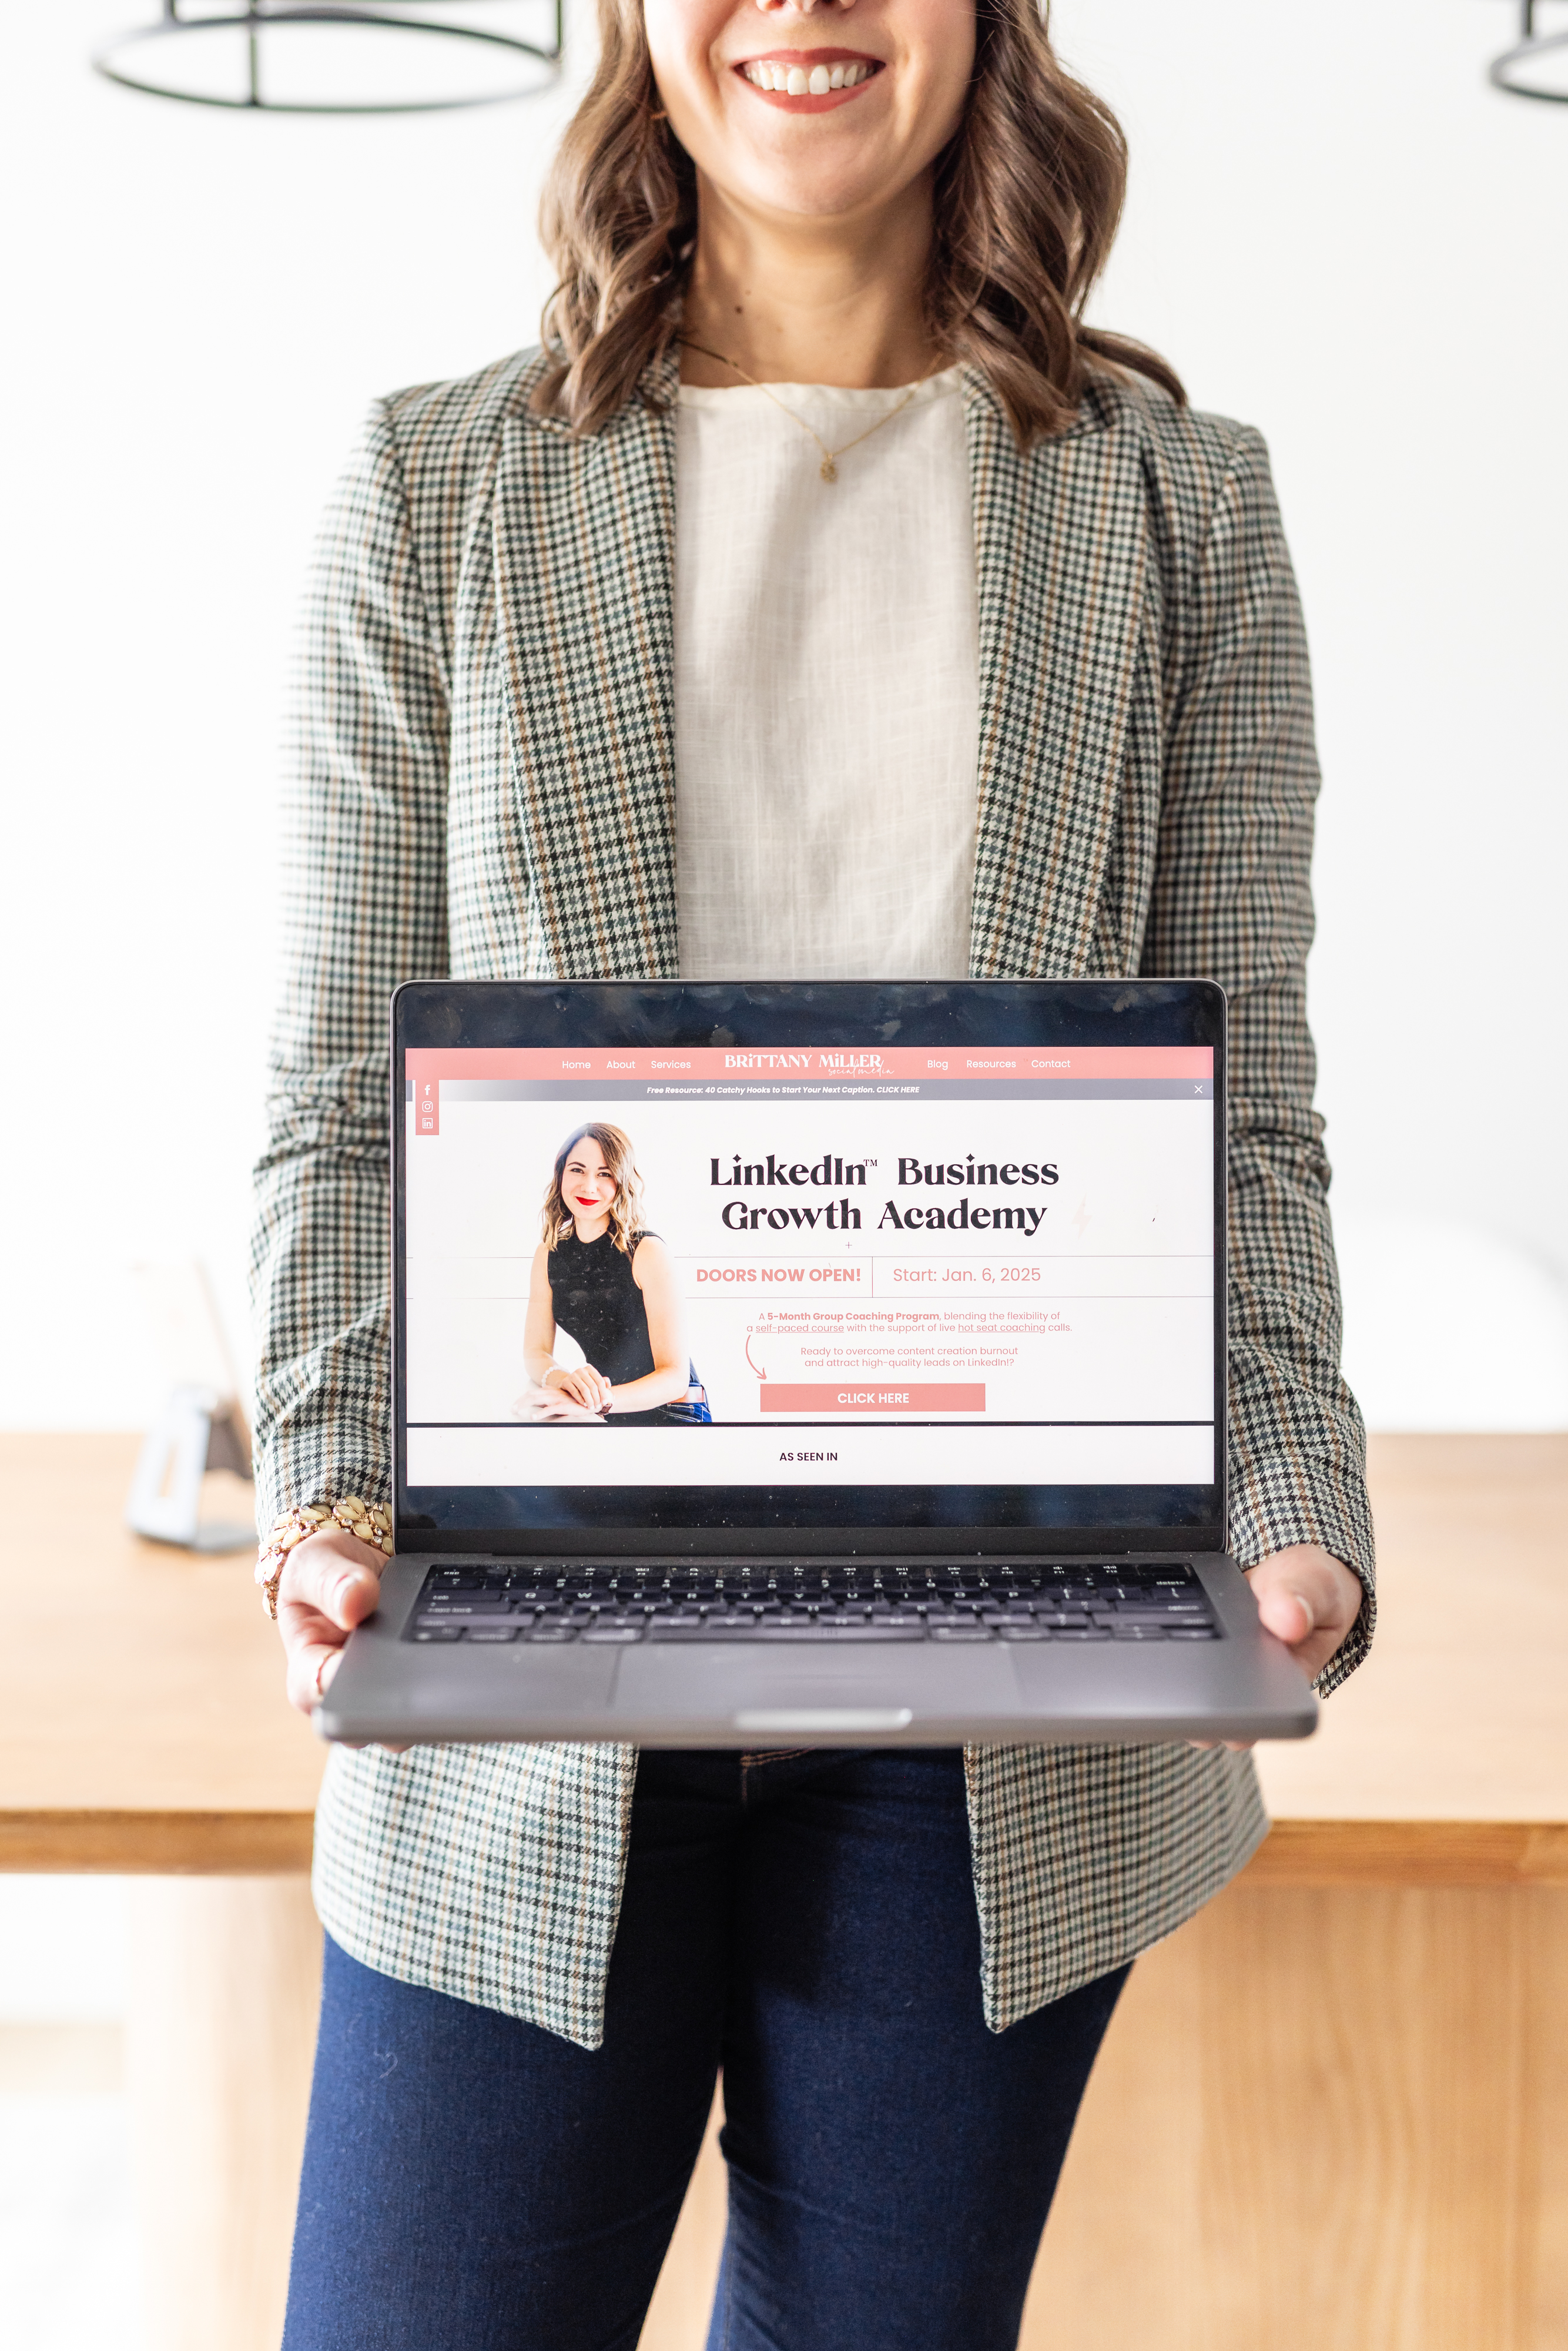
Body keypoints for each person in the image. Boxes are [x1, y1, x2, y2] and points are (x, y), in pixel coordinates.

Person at [251, 2, 1376, 2345]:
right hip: (530, 1640)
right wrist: (334, 1492)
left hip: (997, 1678)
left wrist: (1290, 1495)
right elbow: (341, 1083)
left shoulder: (1175, 501)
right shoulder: (435, 483)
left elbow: (1239, 1084)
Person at [521, 1119, 709, 1421]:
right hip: (607, 1409)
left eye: (605, 1174)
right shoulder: (548, 1254)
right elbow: (535, 1352)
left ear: (621, 1182)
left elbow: (674, 1377)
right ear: (560, 1175)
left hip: (674, 1409)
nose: (589, 1186)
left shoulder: (647, 1251)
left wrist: (596, 1402)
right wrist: (566, 1381)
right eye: (577, 1170)